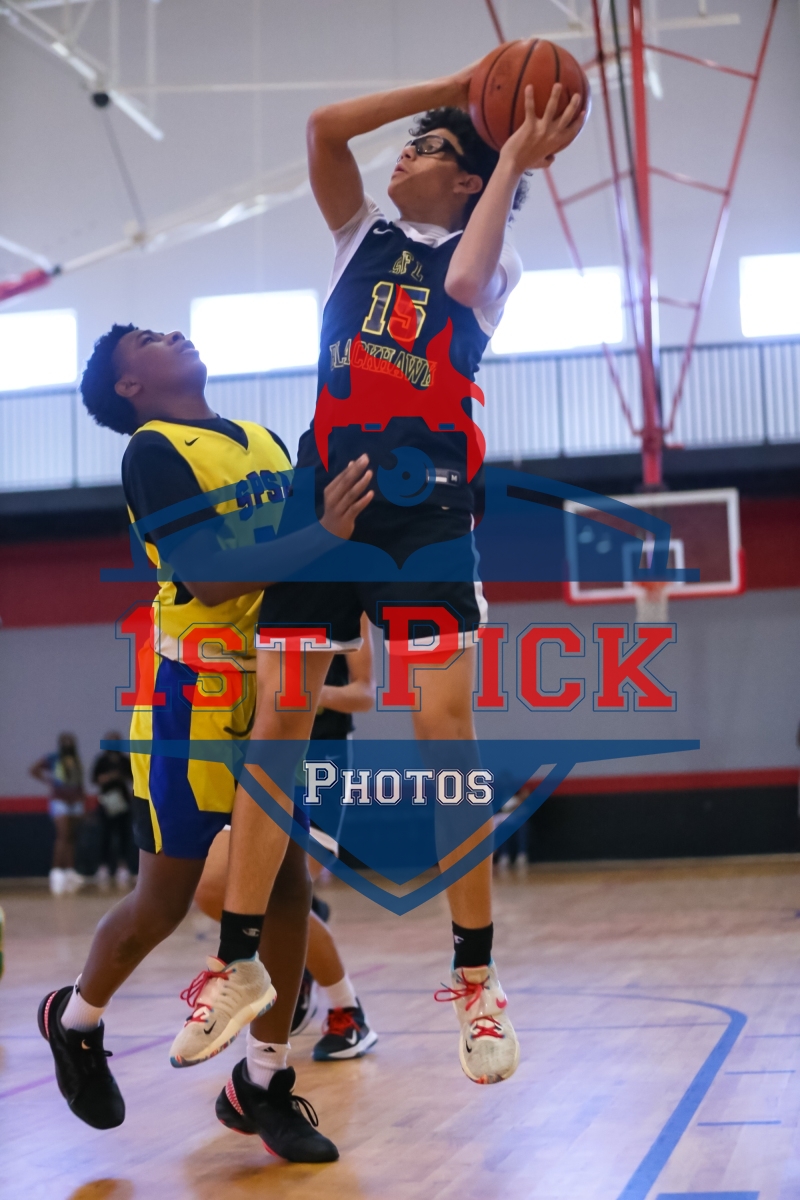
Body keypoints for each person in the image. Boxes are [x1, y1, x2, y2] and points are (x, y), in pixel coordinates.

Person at [171, 67, 585, 1085]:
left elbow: (462, 286)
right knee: (280, 721)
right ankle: (236, 963)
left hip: (422, 507)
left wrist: (507, 151)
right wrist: (458, 88)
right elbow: (322, 126)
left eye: (428, 147)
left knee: (443, 728)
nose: (402, 155)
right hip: (321, 498)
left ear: (470, 179)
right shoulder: (359, 236)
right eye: (408, 144)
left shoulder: (492, 260)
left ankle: (477, 981)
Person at [38, 321, 372, 1161]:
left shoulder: (262, 440)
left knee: (287, 890)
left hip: (273, 689)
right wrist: (325, 534)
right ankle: (76, 1020)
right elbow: (212, 576)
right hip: (192, 696)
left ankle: (263, 1081)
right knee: (164, 901)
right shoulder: (153, 450)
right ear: (131, 386)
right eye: (151, 339)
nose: (176, 334)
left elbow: (302, 557)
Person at [194, 613, 378, 1062]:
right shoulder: (259, 600)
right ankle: (297, 956)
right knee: (210, 888)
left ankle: (348, 1010)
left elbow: (365, 693)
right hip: (265, 763)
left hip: (321, 767)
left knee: (279, 895)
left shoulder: (346, 606)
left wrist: (311, 692)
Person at [31, 733, 86, 895]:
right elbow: (34, 769)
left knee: (72, 837)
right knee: (62, 835)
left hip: (76, 801)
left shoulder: (76, 760)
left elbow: (79, 782)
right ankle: (56, 872)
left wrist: (83, 800)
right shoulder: (53, 758)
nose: (68, 744)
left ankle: (69, 871)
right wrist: (48, 781)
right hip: (60, 801)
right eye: (65, 741)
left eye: (70, 741)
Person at [91, 733, 135, 888]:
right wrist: (109, 777)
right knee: (105, 835)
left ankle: (123, 868)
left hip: (123, 802)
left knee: (124, 835)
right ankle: (103, 867)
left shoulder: (124, 760)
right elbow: (95, 779)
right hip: (107, 802)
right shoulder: (102, 761)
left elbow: (133, 778)